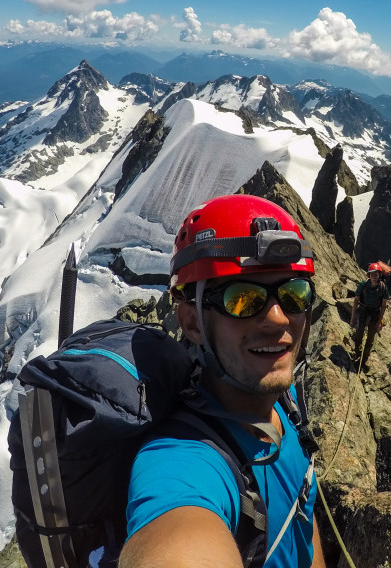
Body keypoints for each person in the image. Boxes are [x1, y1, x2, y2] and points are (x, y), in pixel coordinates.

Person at [120, 194, 325, 568]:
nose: (280, 319)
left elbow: (302, 521)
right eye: (244, 298)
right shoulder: (183, 461)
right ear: (193, 323)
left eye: (295, 294)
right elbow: (177, 542)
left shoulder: (285, 400)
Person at [350, 263, 390, 371]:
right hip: (363, 311)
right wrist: (353, 317)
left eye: (377, 273)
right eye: (373, 274)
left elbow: (383, 306)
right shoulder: (363, 284)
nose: (375, 276)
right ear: (369, 275)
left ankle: (363, 359)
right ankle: (358, 353)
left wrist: (380, 320)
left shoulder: (383, 287)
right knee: (358, 334)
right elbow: (356, 300)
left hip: (375, 313)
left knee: (370, 338)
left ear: (379, 275)